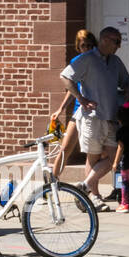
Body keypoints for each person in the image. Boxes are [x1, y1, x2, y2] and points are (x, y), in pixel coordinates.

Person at [59, 26, 129, 211]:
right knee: (92, 158)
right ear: (105, 40)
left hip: (111, 118)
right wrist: (81, 98)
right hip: (92, 117)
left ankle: (83, 187)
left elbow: (126, 82)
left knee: (111, 157)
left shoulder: (115, 61)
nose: (119, 45)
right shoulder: (87, 59)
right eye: (117, 41)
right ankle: (94, 197)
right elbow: (65, 76)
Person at [49, 29, 97, 179]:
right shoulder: (76, 62)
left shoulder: (99, 61)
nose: (87, 49)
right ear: (78, 47)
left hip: (96, 110)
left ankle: (88, 188)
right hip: (79, 110)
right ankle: (52, 183)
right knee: (65, 148)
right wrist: (61, 109)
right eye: (84, 46)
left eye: (90, 45)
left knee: (94, 152)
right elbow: (71, 87)